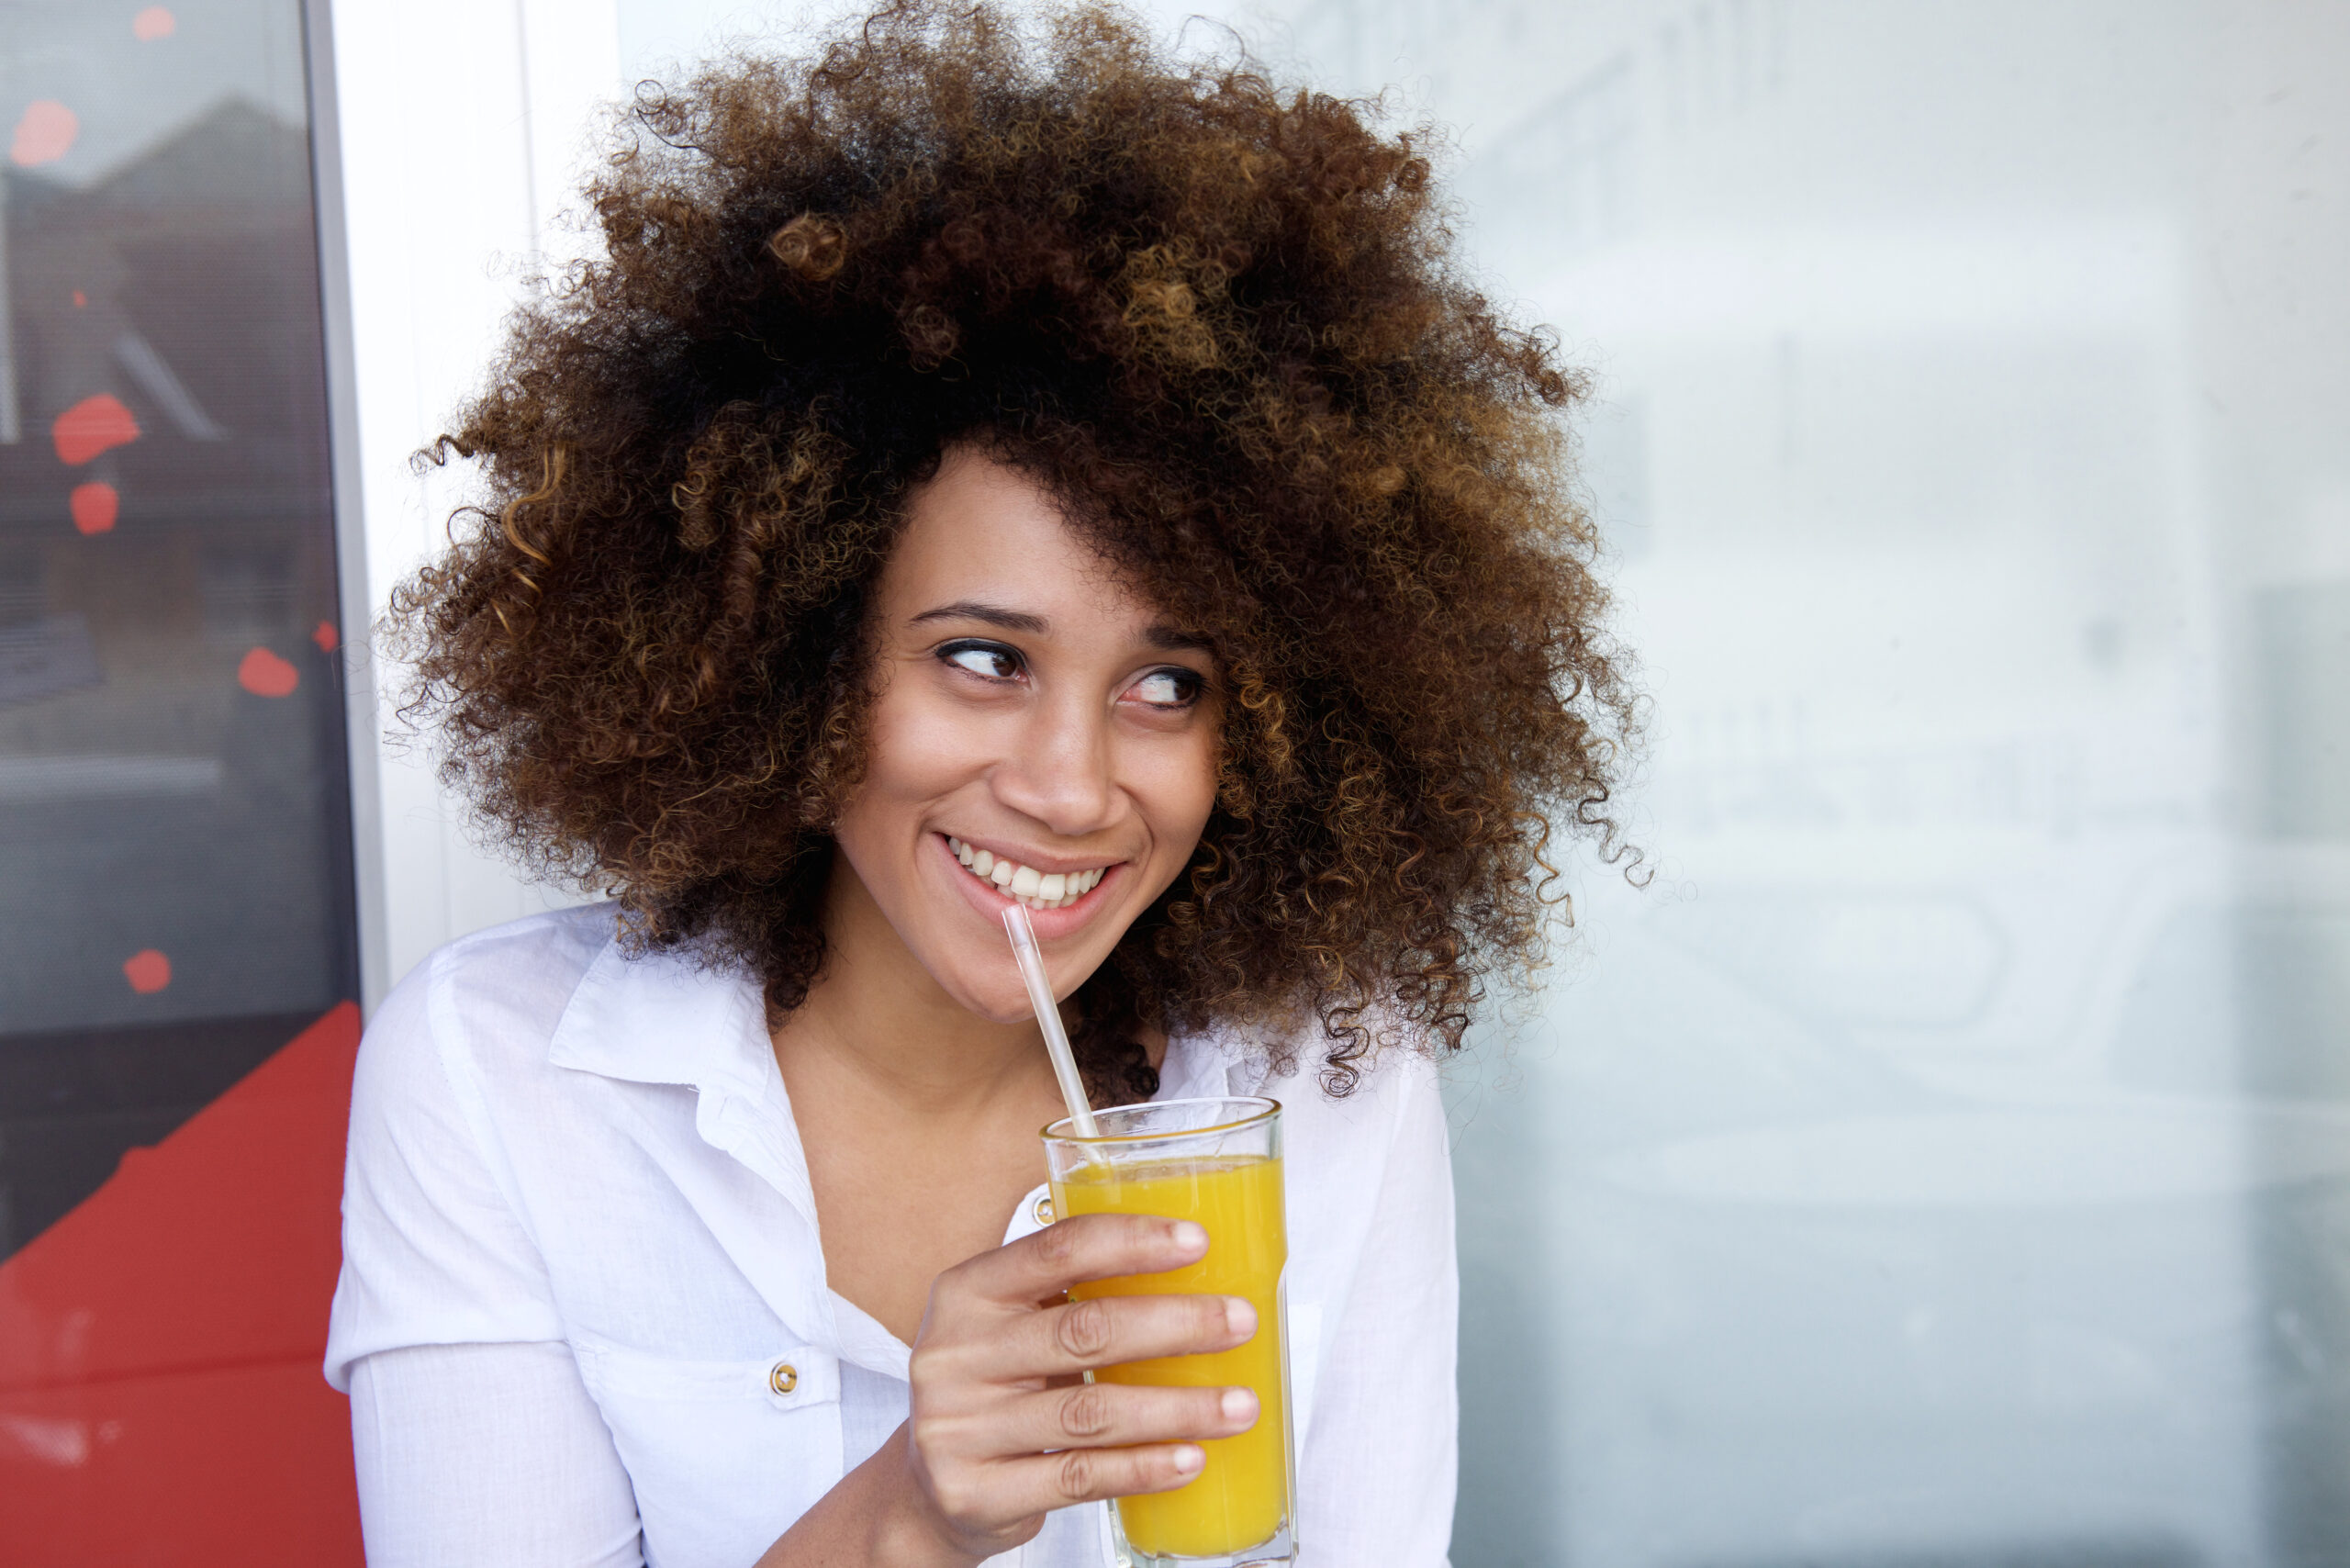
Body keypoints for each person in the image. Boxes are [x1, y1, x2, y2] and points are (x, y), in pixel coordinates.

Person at [322, 4, 1635, 1564]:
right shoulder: (500, 1081)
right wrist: (906, 1518)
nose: (1074, 789)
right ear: (794, 653)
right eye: (982, 659)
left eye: (1168, 686)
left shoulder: (1325, 1086)